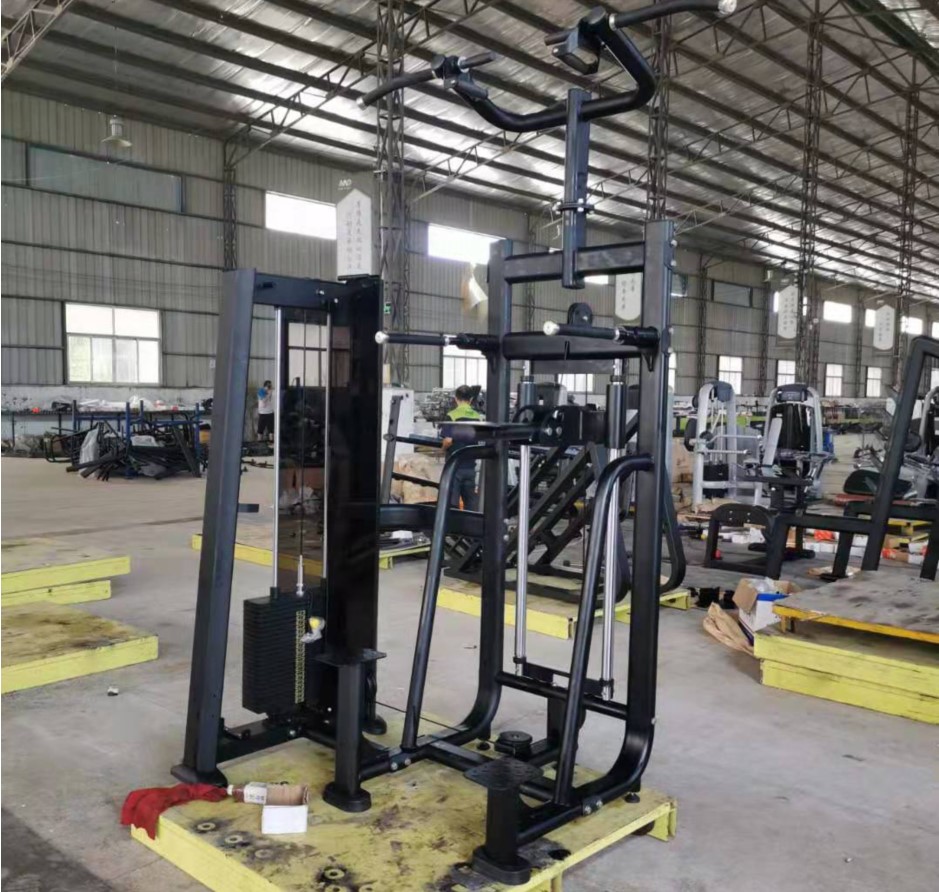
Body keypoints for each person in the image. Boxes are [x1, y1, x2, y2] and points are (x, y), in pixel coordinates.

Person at [442, 384, 482, 511]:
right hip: (470, 466)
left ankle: (455, 523)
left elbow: (448, 440)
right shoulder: (477, 417)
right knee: (471, 504)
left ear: (456, 399)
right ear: (471, 399)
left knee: (452, 504)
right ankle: (471, 523)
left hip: (455, 466)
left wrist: (442, 449)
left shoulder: (452, 416)